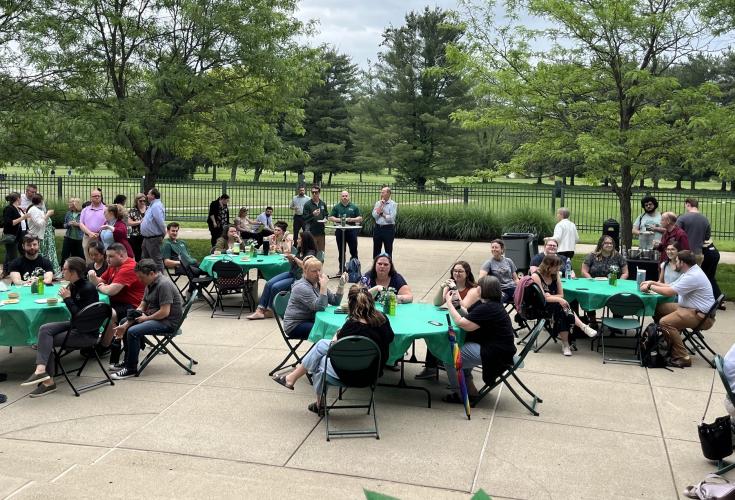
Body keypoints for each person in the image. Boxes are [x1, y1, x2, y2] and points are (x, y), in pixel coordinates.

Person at [273, 285, 394, 416]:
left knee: (319, 361)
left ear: (351, 305)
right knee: (321, 347)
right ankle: (293, 380)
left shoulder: (351, 326)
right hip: (373, 372)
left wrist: (337, 334)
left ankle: (318, 403)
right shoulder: (383, 319)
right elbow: (390, 338)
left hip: (349, 374)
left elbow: (337, 347)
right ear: (371, 302)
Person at [19, 257, 99, 397]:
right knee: (45, 329)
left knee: (46, 340)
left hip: (86, 334)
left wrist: (68, 299)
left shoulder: (87, 288)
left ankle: (48, 383)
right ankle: (41, 370)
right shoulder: (74, 285)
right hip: (76, 326)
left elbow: (81, 317)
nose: (62, 271)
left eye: (65, 268)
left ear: (73, 272)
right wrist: (68, 296)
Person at [442, 276, 517, 404]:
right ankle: (470, 390)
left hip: (496, 354)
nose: (476, 287)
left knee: (450, 356)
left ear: (483, 289)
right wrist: (458, 306)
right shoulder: (489, 304)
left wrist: (449, 304)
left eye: (478, 286)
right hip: (502, 348)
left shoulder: (488, 308)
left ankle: (459, 393)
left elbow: (462, 323)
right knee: (461, 349)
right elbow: (469, 315)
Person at [110, 259, 183, 379]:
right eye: (138, 277)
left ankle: (131, 368)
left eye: (141, 277)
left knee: (133, 332)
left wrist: (146, 318)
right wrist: (128, 322)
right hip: (156, 317)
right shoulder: (149, 283)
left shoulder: (163, 284)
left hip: (168, 322)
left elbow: (165, 312)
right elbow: (143, 304)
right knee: (124, 322)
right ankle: (128, 360)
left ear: (152, 273)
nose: (139, 280)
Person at [641, 250, 716, 368]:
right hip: (690, 309)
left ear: (682, 262)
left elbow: (669, 292)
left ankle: (682, 357)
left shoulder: (693, 276)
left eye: (677, 261)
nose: (675, 263)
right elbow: (671, 285)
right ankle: (667, 342)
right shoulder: (690, 271)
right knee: (659, 308)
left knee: (665, 322)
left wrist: (650, 287)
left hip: (700, 316)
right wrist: (652, 282)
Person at [415, 261, 480, 380]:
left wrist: (454, 290)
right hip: (452, 320)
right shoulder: (450, 286)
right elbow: (437, 303)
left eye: (460, 271)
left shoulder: (473, 290)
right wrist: (442, 287)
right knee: (433, 333)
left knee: (442, 335)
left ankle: (446, 362)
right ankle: (431, 368)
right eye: (455, 271)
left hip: (466, 324)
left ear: (467, 273)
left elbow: (463, 307)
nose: (457, 273)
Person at [88, 243, 146, 360]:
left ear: (121, 255)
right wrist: (94, 278)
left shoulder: (129, 267)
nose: (107, 259)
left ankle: (105, 346)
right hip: (119, 301)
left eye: (110, 256)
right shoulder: (114, 265)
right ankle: (89, 340)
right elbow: (101, 280)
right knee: (92, 307)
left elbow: (110, 290)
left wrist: (98, 284)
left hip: (134, 307)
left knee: (107, 311)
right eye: (107, 256)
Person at [532, 254, 597, 356]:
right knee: (561, 306)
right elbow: (542, 298)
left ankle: (566, 344)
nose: (558, 269)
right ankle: (582, 327)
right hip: (541, 306)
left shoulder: (555, 274)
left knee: (561, 311)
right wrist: (555, 298)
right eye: (556, 267)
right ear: (548, 266)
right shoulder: (536, 276)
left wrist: (554, 297)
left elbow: (561, 294)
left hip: (555, 305)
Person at [247, 231, 318, 320]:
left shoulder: (310, 253)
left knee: (275, 287)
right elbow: (293, 264)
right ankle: (259, 310)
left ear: (305, 240)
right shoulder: (300, 249)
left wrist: (294, 258)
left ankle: (270, 310)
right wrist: (289, 259)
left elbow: (305, 266)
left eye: (299, 239)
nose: (297, 240)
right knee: (269, 283)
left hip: (300, 278)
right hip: (292, 273)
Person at [282, 258, 345, 340]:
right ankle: (321, 351)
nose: (318, 274)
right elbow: (321, 307)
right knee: (327, 332)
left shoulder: (317, 283)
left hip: (311, 319)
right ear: (305, 271)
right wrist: (323, 287)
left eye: (319, 270)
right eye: (314, 271)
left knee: (336, 329)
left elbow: (335, 301)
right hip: (296, 325)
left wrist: (341, 285)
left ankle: (325, 350)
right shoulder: (301, 287)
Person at [161, 222, 207, 295]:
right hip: (182, 266)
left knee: (210, 269)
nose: (175, 233)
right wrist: (180, 262)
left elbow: (188, 256)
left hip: (193, 264)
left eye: (176, 231)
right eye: (173, 231)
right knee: (195, 272)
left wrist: (191, 261)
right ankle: (195, 291)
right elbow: (166, 262)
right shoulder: (167, 244)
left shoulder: (182, 242)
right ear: (168, 231)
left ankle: (197, 288)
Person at [328, 190, 362, 273]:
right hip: (340, 231)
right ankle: (341, 269)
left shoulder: (354, 207)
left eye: (346, 196)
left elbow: (360, 218)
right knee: (341, 251)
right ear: (340, 197)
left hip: (351, 231)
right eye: (343, 196)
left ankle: (355, 269)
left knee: (353, 251)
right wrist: (339, 220)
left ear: (349, 196)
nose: (345, 197)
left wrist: (350, 219)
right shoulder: (336, 207)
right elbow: (331, 217)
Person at [479, 239, 519, 303]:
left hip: (512, 288)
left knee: (525, 296)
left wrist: (520, 288)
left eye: (496, 247)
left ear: (502, 249)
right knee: (496, 302)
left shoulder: (509, 261)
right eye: (492, 247)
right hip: (499, 290)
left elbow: (516, 279)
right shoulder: (488, 263)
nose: (494, 249)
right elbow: (481, 280)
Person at [676, 198, 710, 263]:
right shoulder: (705, 219)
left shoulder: (682, 218)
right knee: (696, 272)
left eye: (685, 205)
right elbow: (707, 237)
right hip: (698, 253)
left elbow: (675, 234)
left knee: (684, 273)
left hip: (683, 254)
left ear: (688, 205)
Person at [2, 192, 28, 275]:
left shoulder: (18, 208)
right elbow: (9, 223)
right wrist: (22, 217)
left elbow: (22, 221)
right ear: (18, 199)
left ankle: (8, 271)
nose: (21, 200)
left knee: (17, 253)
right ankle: (14, 273)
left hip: (20, 235)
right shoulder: (9, 208)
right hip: (11, 235)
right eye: (20, 198)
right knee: (12, 256)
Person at [140, 188, 166, 271]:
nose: (147, 195)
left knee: (156, 260)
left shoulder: (156, 206)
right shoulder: (152, 205)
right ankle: (147, 279)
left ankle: (162, 281)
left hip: (153, 238)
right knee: (145, 260)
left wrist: (163, 232)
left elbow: (160, 221)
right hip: (147, 238)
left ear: (153, 196)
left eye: (148, 194)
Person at [79, 189, 106, 260]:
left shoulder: (106, 209)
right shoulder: (85, 210)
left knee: (102, 258)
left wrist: (99, 233)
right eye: (95, 196)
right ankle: (90, 270)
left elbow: (109, 223)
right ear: (91, 198)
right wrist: (90, 233)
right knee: (89, 259)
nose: (97, 197)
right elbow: (81, 224)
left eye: (99, 196)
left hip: (101, 238)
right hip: (88, 237)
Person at [372, 186, 397, 258]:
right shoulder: (378, 203)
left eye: (383, 192)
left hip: (388, 229)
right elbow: (374, 215)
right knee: (376, 250)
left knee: (388, 250)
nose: (381, 194)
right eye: (381, 192)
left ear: (388, 193)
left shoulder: (393, 204)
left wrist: (382, 214)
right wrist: (381, 206)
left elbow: (391, 218)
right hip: (378, 228)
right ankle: (375, 267)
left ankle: (388, 268)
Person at [302, 186, 328, 252]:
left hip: (321, 231)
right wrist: (313, 214)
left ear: (319, 193)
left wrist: (325, 218)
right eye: (312, 192)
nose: (314, 194)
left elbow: (326, 214)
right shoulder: (307, 204)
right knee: (312, 251)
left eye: (316, 192)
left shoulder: (322, 204)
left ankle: (320, 262)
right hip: (311, 232)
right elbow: (304, 218)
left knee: (321, 252)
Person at [61, 197, 84, 266]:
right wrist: (68, 224)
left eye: (73, 206)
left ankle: (79, 270)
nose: (71, 207)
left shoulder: (82, 213)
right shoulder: (68, 213)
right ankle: (62, 269)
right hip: (68, 237)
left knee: (79, 256)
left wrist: (78, 225)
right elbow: (64, 225)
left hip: (79, 239)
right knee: (65, 254)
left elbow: (86, 226)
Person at [127, 193, 147, 261]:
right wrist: (139, 222)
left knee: (146, 254)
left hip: (146, 235)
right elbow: (129, 222)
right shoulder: (132, 211)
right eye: (140, 201)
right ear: (136, 201)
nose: (142, 202)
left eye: (144, 201)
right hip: (136, 236)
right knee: (137, 254)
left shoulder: (149, 209)